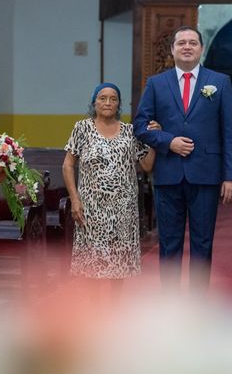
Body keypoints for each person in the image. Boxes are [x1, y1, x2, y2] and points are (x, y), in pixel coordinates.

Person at [133, 25, 232, 293]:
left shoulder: (220, 82)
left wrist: (231, 176)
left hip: (206, 174)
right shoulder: (156, 83)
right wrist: (168, 141)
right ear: (172, 50)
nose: (187, 46)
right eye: (181, 43)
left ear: (201, 49)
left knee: (203, 242)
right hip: (168, 173)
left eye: (193, 42)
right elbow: (141, 126)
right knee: (169, 242)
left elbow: (230, 133)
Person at [62, 82, 159, 301]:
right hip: (91, 207)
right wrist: (74, 199)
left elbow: (147, 166)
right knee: (92, 261)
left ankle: (114, 307)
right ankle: (94, 310)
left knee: (119, 261)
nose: (108, 102)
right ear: (94, 102)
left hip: (123, 208)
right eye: (103, 98)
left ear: (119, 104)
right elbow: (68, 165)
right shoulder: (82, 128)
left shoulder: (130, 131)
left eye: (113, 99)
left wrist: (155, 140)